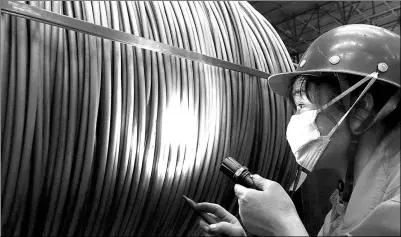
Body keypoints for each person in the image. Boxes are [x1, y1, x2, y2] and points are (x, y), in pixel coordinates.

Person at [195, 24, 400, 236]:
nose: (295, 121)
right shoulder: (343, 204)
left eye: (302, 106)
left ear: (360, 110)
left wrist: (283, 224)